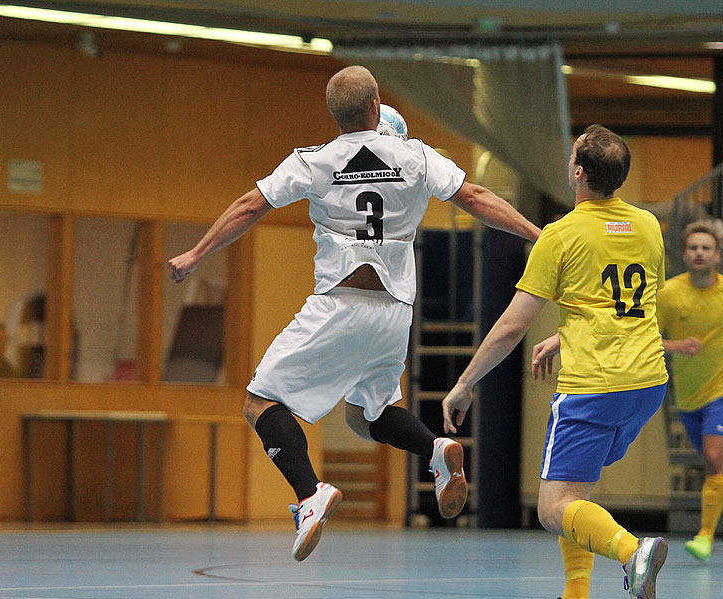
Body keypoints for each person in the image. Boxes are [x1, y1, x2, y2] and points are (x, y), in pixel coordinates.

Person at [168, 65, 541, 561]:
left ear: (334, 114)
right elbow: (476, 197)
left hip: (340, 304)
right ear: (376, 104)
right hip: (394, 313)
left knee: (260, 402)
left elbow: (247, 206)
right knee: (370, 416)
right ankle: (435, 451)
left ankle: (309, 495)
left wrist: (195, 254)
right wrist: (540, 236)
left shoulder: (313, 161)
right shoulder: (415, 155)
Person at [443, 125, 668, 599]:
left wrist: (465, 383)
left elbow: (510, 326)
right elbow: (626, 304)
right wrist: (565, 335)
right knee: (576, 494)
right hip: (647, 383)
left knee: (552, 507)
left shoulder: (560, 235)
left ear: (578, 173)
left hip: (595, 386)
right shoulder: (648, 226)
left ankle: (632, 552)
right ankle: (576, 593)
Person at [655, 220, 723, 562]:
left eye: (706, 248)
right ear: (684, 255)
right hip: (689, 394)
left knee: (715, 457)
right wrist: (678, 346)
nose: (699, 253)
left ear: (717, 255)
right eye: (693, 248)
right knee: (715, 462)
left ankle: (704, 536)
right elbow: (648, 339)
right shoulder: (669, 294)